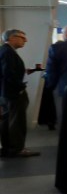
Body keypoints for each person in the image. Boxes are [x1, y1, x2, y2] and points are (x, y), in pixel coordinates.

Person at [0, 28, 38, 158]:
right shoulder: (7, 53)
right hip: (14, 93)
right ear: (11, 38)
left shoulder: (6, 51)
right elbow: (8, 74)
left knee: (7, 121)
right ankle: (17, 148)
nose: (25, 40)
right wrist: (20, 87)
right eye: (22, 37)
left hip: (6, 93)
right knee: (17, 121)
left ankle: (8, 148)